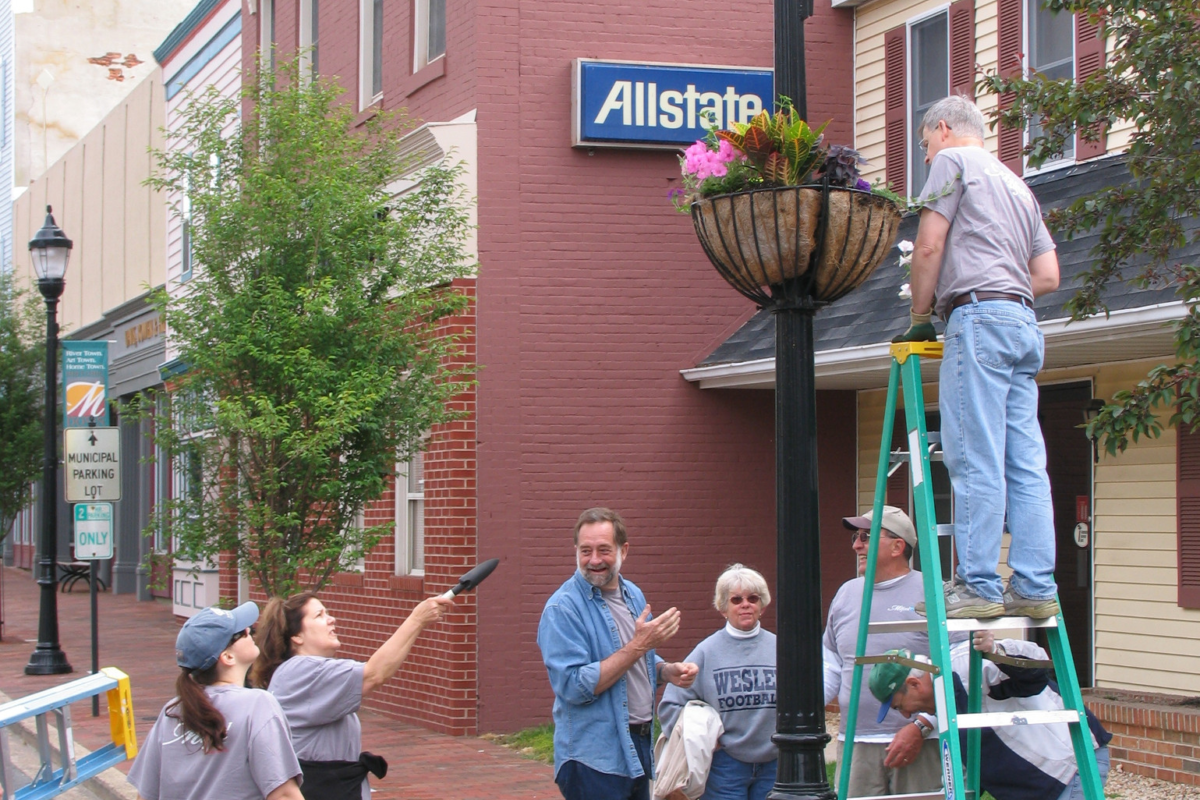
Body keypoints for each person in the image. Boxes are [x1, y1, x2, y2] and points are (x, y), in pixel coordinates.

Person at [893, 94, 1063, 620]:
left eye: (924, 144)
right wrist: (1002, 286)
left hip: (979, 320)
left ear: (943, 129)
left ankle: (978, 584)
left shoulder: (952, 162)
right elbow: (1049, 276)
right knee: (1026, 463)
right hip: (1023, 323)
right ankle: (1035, 585)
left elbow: (928, 246)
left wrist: (922, 312)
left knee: (974, 457)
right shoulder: (1018, 185)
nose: (925, 157)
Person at [538, 507, 700, 800]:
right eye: (585, 551)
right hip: (593, 756)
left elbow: (636, 658)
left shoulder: (633, 594)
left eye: (603, 550)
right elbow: (573, 686)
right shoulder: (562, 609)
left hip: (638, 745)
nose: (594, 560)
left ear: (624, 550)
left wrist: (666, 671)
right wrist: (640, 645)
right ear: (575, 550)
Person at [251, 590, 455, 800]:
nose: (331, 619)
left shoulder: (295, 672)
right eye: (319, 615)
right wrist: (417, 619)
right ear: (296, 636)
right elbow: (375, 674)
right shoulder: (304, 670)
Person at [869, 634, 1111, 800]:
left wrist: (997, 652)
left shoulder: (966, 665)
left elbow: (1036, 670)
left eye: (899, 706)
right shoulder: (942, 704)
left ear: (913, 684)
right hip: (1039, 782)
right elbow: (967, 771)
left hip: (1069, 765)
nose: (906, 714)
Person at [822, 506, 945, 797]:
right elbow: (831, 662)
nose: (856, 545)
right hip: (856, 743)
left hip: (921, 743)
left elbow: (959, 671)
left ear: (898, 546)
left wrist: (923, 725)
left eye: (865, 536)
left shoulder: (933, 592)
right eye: (855, 537)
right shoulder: (847, 594)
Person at [128, 602, 303, 800]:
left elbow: (144, 795)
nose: (249, 630)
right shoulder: (257, 705)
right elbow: (283, 795)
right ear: (227, 657)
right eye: (242, 633)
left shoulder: (173, 710)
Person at [658, 564, 777, 800]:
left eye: (753, 598)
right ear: (723, 608)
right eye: (736, 599)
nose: (745, 604)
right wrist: (705, 743)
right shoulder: (706, 652)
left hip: (774, 765)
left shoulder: (780, 648)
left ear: (762, 605)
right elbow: (670, 706)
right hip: (725, 767)